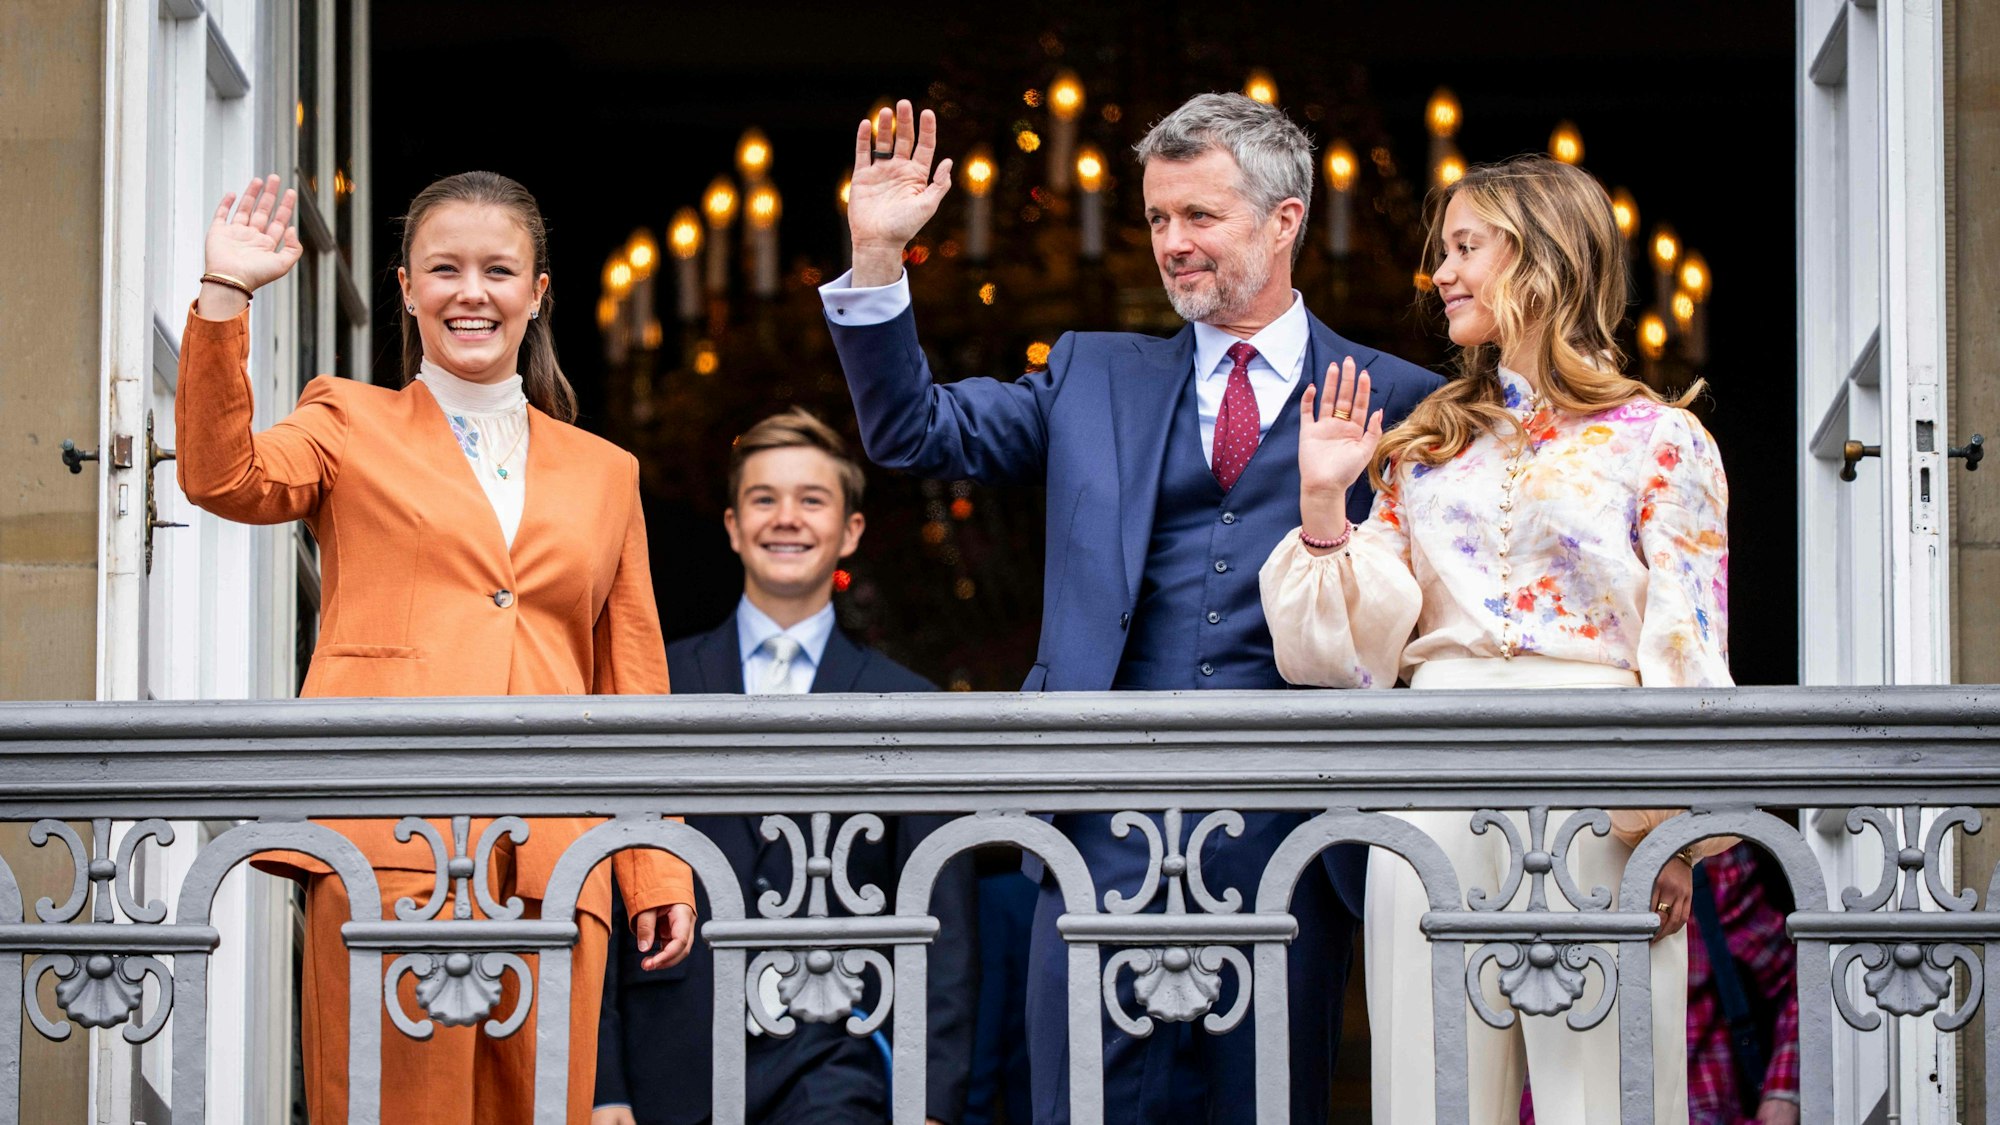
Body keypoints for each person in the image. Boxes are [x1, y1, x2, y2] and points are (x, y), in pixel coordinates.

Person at [821, 94, 1442, 1123]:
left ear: (1284, 221)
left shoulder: (1399, 398)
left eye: (1199, 216)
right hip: (1098, 821)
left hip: (1292, 830)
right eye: (1157, 218)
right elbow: (911, 431)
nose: (1171, 243)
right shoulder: (1090, 374)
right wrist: (879, 255)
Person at [176, 172, 696, 1125]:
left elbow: (633, 681)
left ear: (537, 292)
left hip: (553, 855)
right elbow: (224, 477)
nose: (472, 292)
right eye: (445, 269)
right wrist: (226, 292)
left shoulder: (606, 472)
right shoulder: (347, 419)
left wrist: (653, 866)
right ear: (407, 288)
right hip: (392, 836)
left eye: (498, 270)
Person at [1259, 155, 1733, 1124]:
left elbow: (1684, 639)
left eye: (1465, 248)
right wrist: (1321, 502)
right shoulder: (1427, 443)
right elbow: (1342, 657)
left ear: (1541, 259)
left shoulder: (1659, 438)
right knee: (1427, 1084)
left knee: (1602, 1092)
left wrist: (1671, 829)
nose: (1440, 273)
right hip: (1433, 765)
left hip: (1603, 775)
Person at [592, 408, 978, 1125]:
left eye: (812, 499)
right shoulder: (653, 684)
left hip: (837, 1060)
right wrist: (602, 1080)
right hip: (668, 1058)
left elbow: (942, 923)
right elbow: (605, 880)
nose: (787, 518)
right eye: (764, 499)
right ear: (734, 526)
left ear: (851, 531)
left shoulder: (909, 703)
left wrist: (930, 1099)